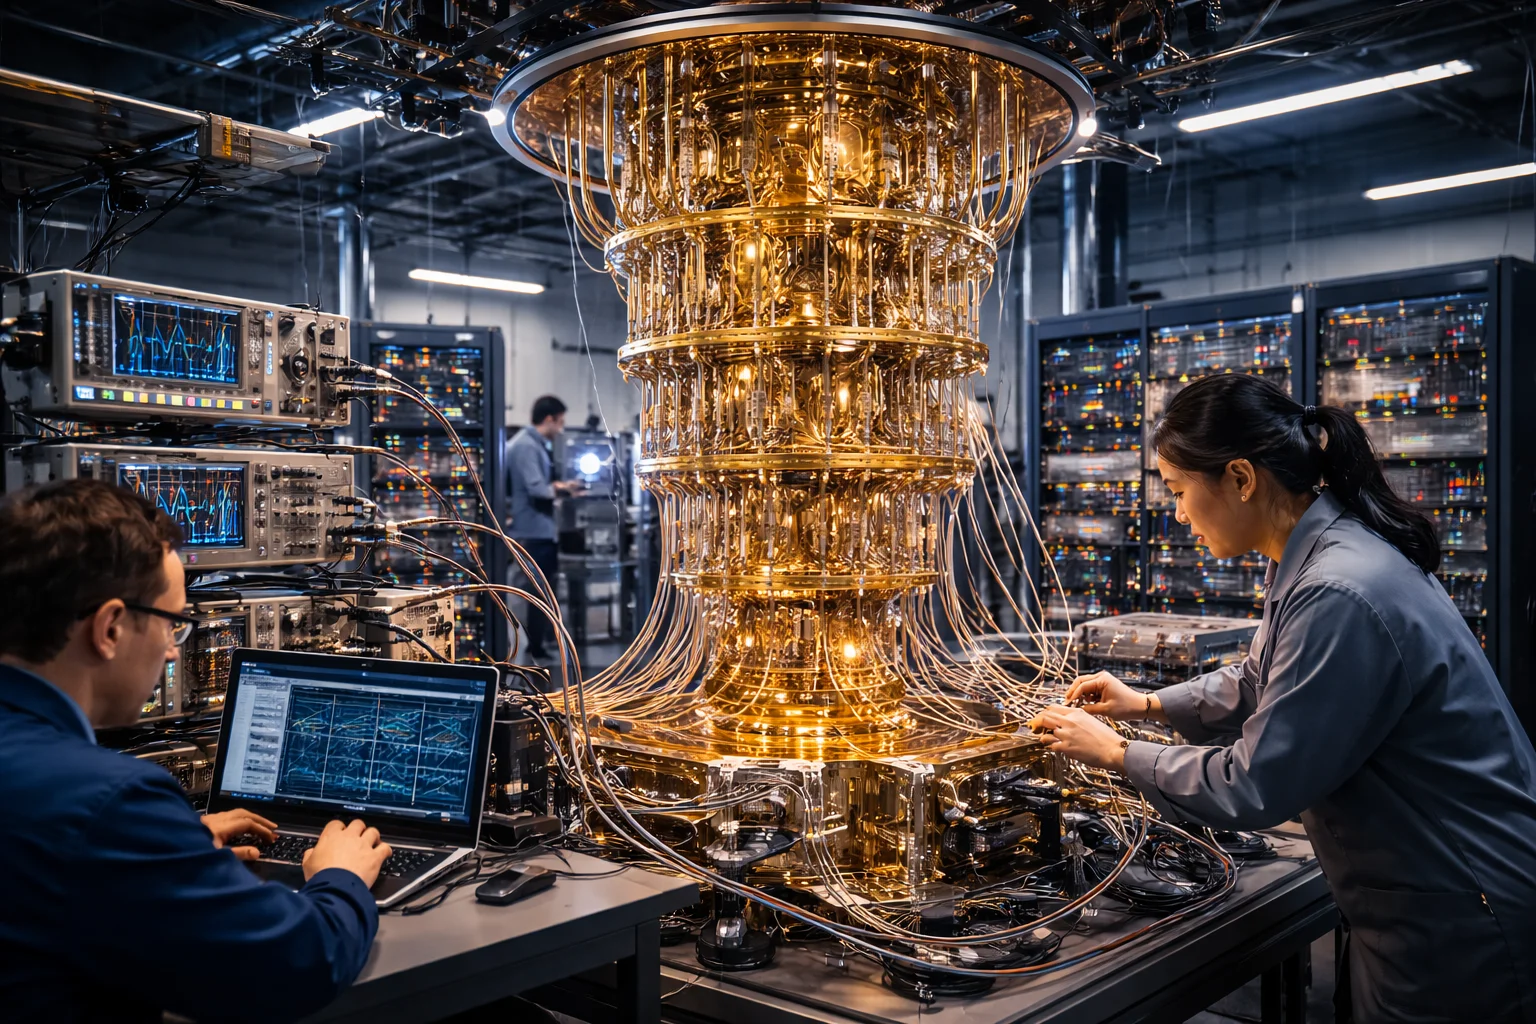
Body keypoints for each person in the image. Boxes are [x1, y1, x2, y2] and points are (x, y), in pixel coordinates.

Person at [1030, 374, 1536, 1023]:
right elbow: (1262, 677)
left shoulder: (1337, 590)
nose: (1178, 514)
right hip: (1431, 902)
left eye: (1181, 491)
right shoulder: (1325, 553)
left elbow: (1257, 781)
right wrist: (1147, 705)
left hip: (1462, 918)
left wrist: (1120, 754)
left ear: (1241, 479)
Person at [0, 479, 392, 1023]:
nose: (170, 649)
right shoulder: (108, 803)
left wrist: (168, 852)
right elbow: (297, 963)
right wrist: (341, 876)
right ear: (110, 628)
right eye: (174, 625)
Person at [508, 394, 583, 663]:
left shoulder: (533, 445)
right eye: (560, 423)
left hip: (539, 531)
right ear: (549, 419)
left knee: (541, 592)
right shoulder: (527, 446)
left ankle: (537, 646)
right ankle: (536, 650)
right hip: (534, 533)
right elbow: (537, 489)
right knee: (538, 594)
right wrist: (564, 487)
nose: (560, 430)